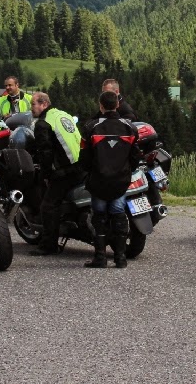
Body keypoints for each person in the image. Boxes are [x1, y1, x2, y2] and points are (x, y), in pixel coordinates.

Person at [78, 91, 141, 269]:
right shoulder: (130, 128)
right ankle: (120, 258)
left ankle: (100, 257)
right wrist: (126, 171)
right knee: (119, 214)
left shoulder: (91, 127)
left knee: (99, 218)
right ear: (117, 105)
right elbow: (135, 157)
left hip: (98, 180)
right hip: (120, 180)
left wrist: (89, 172)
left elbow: (85, 158)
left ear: (101, 106)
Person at [28, 91, 83, 256]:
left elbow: (45, 153)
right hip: (81, 165)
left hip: (66, 171)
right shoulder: (62, 115)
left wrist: (45, 175)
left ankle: (49, 245)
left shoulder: (42, 123)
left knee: (48, 206)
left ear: (44, 104)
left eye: (33, 104)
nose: (31, 108)